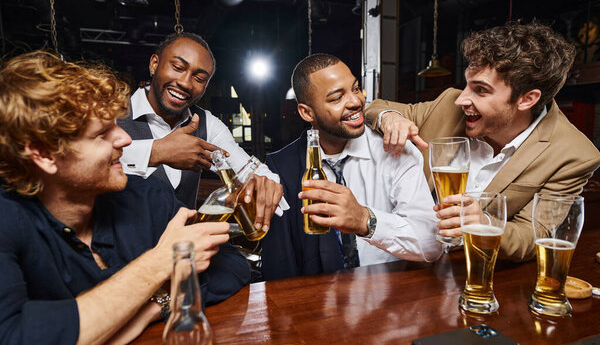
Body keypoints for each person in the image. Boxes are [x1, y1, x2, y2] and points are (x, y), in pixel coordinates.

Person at [0, 51, 251, 345]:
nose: (125, 139)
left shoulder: (145, 196)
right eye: (101, 134)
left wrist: (148, 309)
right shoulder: (7, 221)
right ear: (44, 154)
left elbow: (232, 267)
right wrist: (160, 264)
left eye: (116, 125)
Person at [365, 22, 600, 262]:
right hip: (395, 253)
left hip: (471, 268)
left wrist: (483, 222)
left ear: (527, 99)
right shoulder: (448, 104)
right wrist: (389, 118)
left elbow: (532, 236)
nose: (461, 99)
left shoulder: (574, 155)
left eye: (480, 90)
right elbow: (374, 107)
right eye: (467, 83)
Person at [261, 54, 440, 281]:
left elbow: (431, 244)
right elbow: (280, 264)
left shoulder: (396, 150)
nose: (355, 101)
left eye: (356, 89)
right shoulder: (281, 166)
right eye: (337, 98)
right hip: (317, 302)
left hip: (391, 299)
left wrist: (365, 220)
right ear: (307, 112)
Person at [118, 32, 286, 232]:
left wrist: (268, 185)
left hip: (183, 253)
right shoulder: (111, 112)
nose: (185, 83)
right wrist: (156, 152)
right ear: (154, 64)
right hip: (119, 253)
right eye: (178, 68)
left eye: (199, 78)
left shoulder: (207, 125)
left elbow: (249, 170)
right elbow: (78, 163)